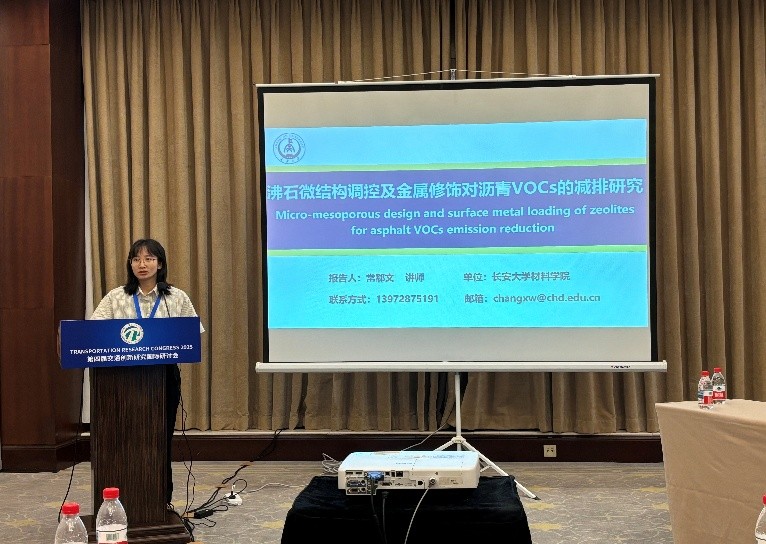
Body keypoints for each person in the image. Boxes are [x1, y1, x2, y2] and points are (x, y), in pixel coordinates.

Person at [91, 238, 204, 504]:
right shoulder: (116, 297)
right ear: (130, 264)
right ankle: (122, 498)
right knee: (122, 439)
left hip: (162, 378)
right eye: (136, 259)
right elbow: (94, 331)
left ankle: (160, 500)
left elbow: (193, 334)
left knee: (159, 440)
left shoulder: (176, 297)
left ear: (160, 264)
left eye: (149, 259)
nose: (142, 264)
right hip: (121, 379)